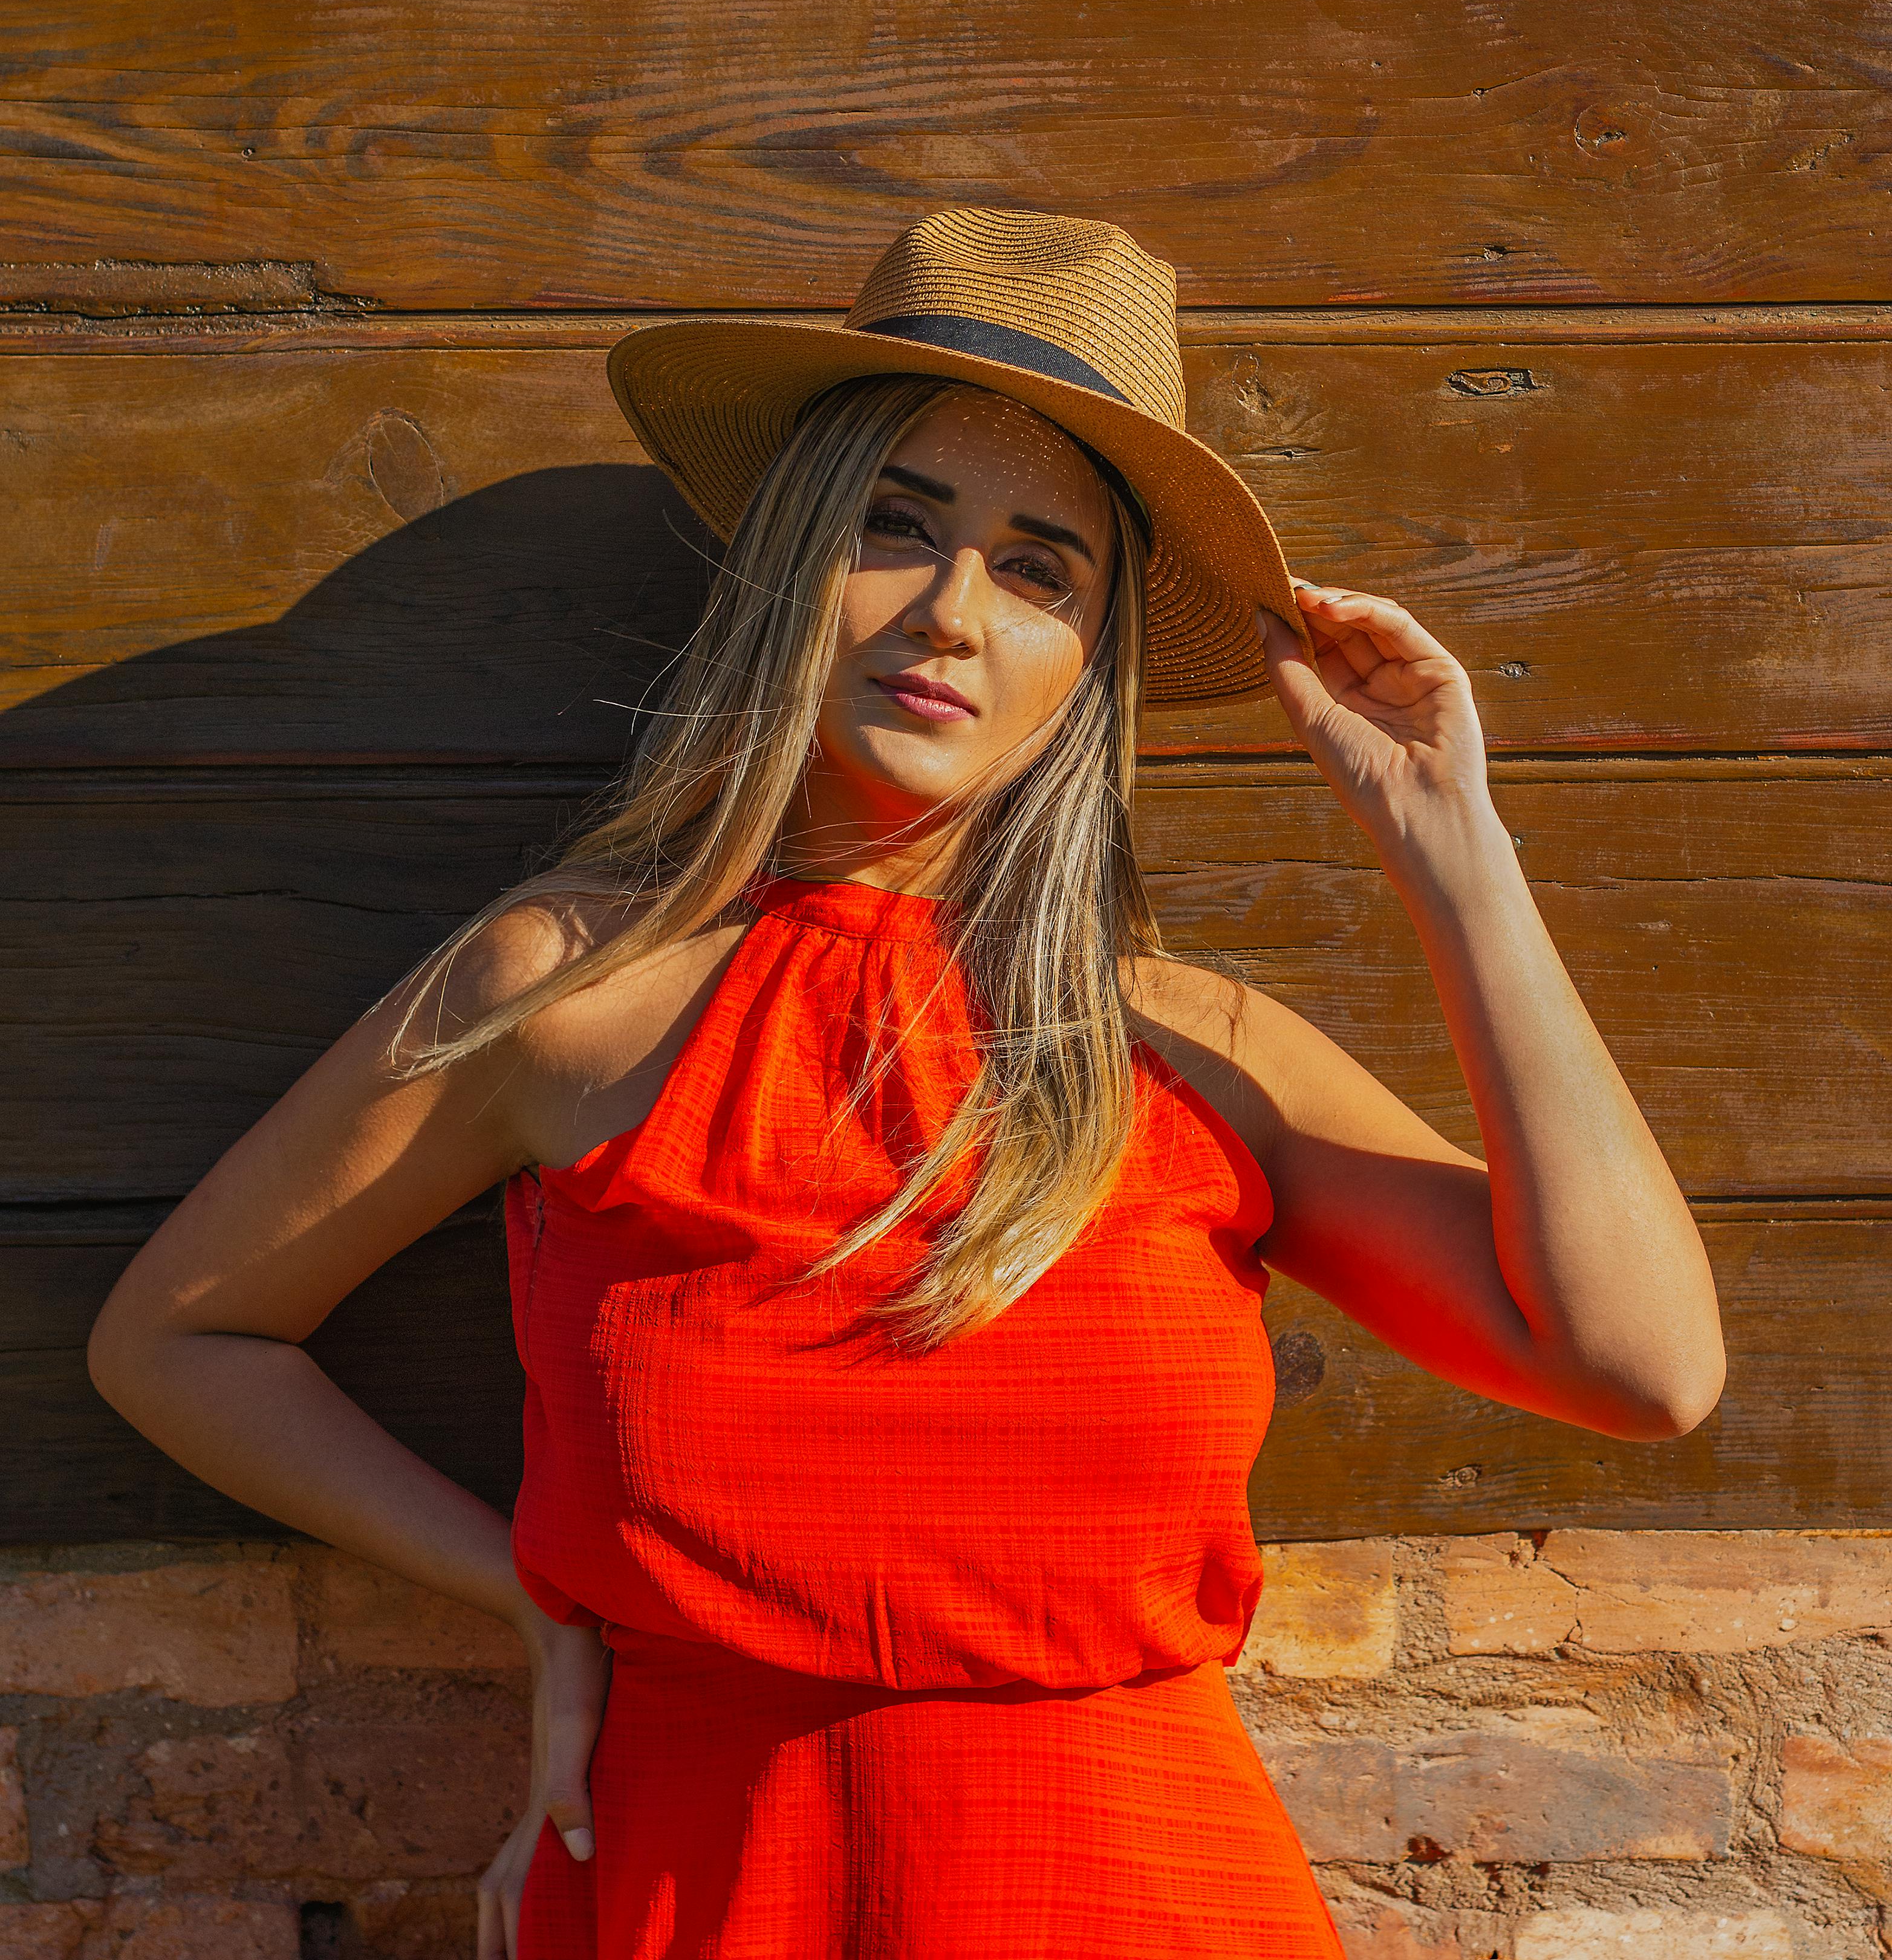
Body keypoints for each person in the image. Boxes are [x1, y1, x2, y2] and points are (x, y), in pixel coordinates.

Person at [88, 207, 1725, 1960]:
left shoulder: (1196, 1051)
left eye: (1041, 570)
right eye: (895, 527)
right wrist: (535, 1596)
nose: (950, 612)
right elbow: (180, 1338)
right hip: (700, 1889)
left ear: (1084, 665)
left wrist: (1453, 855)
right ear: (793, 558)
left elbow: (1639, 1370)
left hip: (1143, 1897)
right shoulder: (565, 994)